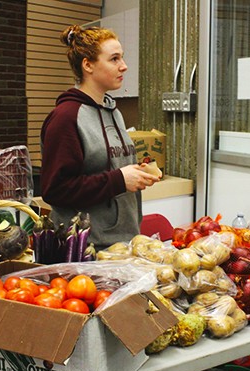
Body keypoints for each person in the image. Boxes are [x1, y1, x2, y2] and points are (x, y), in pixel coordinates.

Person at [40, 24, 160, 251]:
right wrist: (119, 180)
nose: (124, 67)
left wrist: (135, 173)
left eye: (122, 58)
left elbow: (109, 168)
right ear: (88, 65)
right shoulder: (66, 118)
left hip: (123, 242)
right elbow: (55, 189)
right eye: (114, 59)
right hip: (87, 251)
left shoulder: (114, 112)